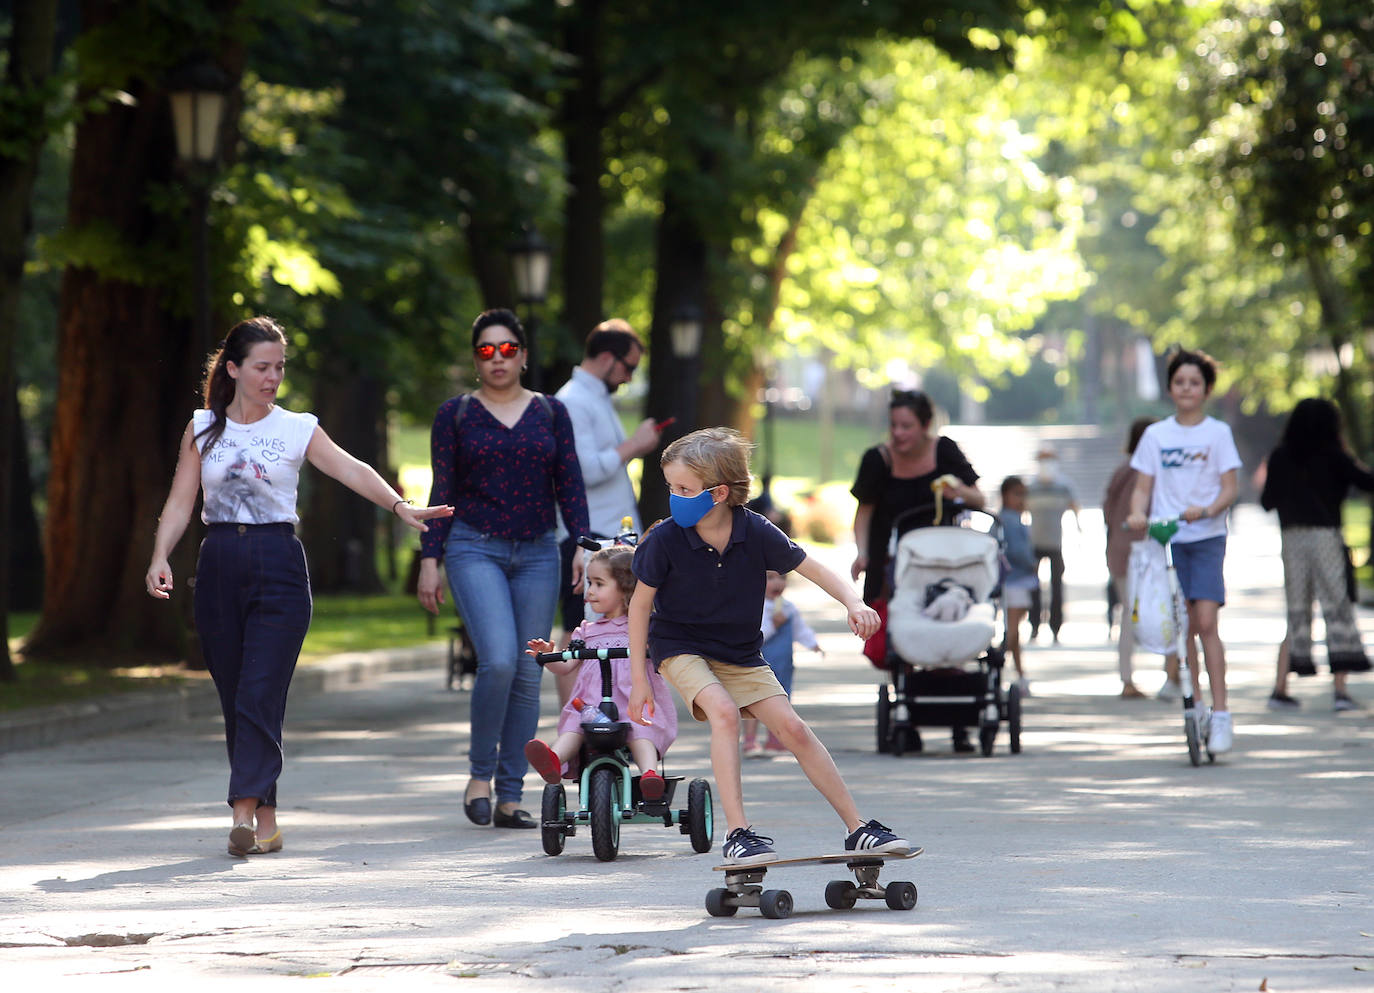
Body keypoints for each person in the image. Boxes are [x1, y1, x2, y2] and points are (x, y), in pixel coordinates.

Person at [145, 316, 453, 857]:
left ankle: (241, 807)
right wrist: (159, 555)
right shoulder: (202, 427)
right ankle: (266, 817)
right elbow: (179, 500)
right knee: (235, 692)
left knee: (260, 690)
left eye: (280, 368)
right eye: (262, 367)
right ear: (234, 369)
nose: (272, 378)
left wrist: (400, 506)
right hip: (219, 562)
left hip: (279, 562)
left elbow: (351, 468)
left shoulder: (296, 426)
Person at [628, 427, 910, 864]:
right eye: (671, 488)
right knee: (723, 713)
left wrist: (855, 602)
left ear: (719, 493)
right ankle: (739, 832)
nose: (674, 497)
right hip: (680, 645)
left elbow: (812, 566)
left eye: (684, 489)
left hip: (739, 651)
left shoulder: (754, 530)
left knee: (794, 729)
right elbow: (639, 607)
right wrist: (638, 681)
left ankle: (858, 829)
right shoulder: (665, 540)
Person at [416, 308, 590, 830]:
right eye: (487, 350)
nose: (498, 358)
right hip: (475, 547)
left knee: (526, 669)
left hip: (538, 551)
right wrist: (431, 559)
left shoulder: (551, 412)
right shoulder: (456, 414)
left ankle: (512, 793)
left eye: (508, 349)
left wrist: (582, 545)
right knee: (496, 660)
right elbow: (441, 492)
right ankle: (479, 774)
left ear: (523, 356)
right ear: (475, 360)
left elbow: (571, 484)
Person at [850, 388, 983, 752]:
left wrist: (957, 490)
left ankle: (958, 718)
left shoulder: (945, 452)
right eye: (894, 425)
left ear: (926, 425)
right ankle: (907, 718)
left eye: (906, 426)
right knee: (897, 638)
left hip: (944, 563)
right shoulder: (877, 460)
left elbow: (979, 499)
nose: (898, 434)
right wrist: (862, 553)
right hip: (892, 561)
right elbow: (865, 513)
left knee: (946, 624)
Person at [1126, 349, 1241, 753]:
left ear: (1206, 389)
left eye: (1194, 383)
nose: (1186, 389)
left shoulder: (1217, 434)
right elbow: (1142, 488)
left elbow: (1230, 487)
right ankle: (1194, 703)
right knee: (1184, 626)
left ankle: (1222, 713)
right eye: (1179, 383)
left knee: (1207, 622)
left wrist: (1207, 510)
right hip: (1167, 539)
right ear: (1170, 387)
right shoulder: (1157, 436)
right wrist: (1138, 515)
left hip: (1206, 537)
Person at [552, 319, 660, 698]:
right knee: (578, 629)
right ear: (605, 357)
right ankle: (573, 727)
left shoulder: (594, 398)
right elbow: (582, 471)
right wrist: (636, 445)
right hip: (587, 535)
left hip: (607, 532)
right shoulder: (573, 401)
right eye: (627, 366)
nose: (629, 377)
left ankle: (598, 721)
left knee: (604, 628)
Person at [524, 546, 677, 794]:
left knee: (640, 729)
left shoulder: (645, 628)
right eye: (589, 583)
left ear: (626, 587)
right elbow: (566, 666)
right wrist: (547, 656)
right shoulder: (586, 630)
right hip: (591, 705)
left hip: (632, 702)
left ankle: (649, 775)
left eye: (598, 584)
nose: (590, 591)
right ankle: (554, 758)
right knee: (575, 725)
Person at [1259, 397, 1374, 711]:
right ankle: (1340, 691)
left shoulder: (1281, 456)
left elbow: (1266, 501)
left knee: (1297, 610)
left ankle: (1280, 688)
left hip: (1292, 539)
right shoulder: (1334, 455)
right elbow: (1367, 482)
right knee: (1336, 608)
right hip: (1326, 537)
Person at [1103, 417, 1157, 699]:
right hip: (1144, 550)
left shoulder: (1121, 471)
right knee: (1157, 609)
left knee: (1128, 612)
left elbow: (1108, 510)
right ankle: (1168, 674)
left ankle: (1128, 678)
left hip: (1119, 548)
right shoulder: (1151, 472)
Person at [742, 569, 823, 756]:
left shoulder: (788, 608)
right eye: (770, 578)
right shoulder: (755, 608)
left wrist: (812, 643)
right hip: (759, 664)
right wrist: (774, 624)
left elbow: (800, 629)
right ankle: (750, 740)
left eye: (782, 578)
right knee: (754, 703)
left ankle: (775, 739)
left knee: (781, 702)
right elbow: (755, 636)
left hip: (783, 664)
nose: (777, 583)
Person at [1026, 447, 1081, 643]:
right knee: (1033, 587)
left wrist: (1078, 531)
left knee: (1057, 588)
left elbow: (1075, 507)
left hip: (1056, 543)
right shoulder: (1031, 486)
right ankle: (1034, 625)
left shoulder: (1064, 485)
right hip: (1035, 543)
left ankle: (1056, 627)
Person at [997, 476, 1038, 695]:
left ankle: (1018, 674)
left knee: (1013, 631)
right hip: (1015, 580)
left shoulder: (1010, 519)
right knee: (1012, 632)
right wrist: (1032, 563)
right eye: (1017, 494)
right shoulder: (1009, 520)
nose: (1021, 499)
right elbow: (1018, 551)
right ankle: (1006, 670)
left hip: (1016, 580)